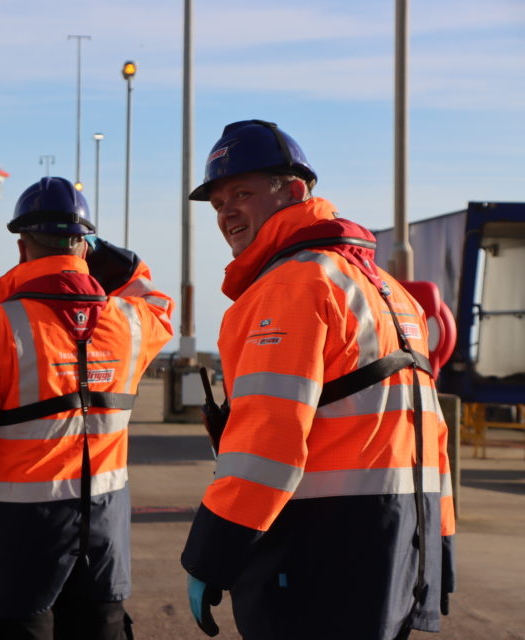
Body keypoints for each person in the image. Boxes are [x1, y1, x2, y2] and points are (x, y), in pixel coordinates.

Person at [180, 120, 456, 640]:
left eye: (243, 193)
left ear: (295, 192)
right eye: (217, 203)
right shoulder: (392, 293)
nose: (227, 212)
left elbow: (268, 440)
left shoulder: (291, 285)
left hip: (319, 559)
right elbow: (430, 434)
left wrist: (210, 556)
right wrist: (437, 552)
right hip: (396, 551)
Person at [0, 176, 174, 639]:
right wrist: (103, 256)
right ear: (85, 245)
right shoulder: (131, 324)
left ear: (21, 247)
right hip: (103, 542)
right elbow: (155, 301)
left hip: (15, 546)